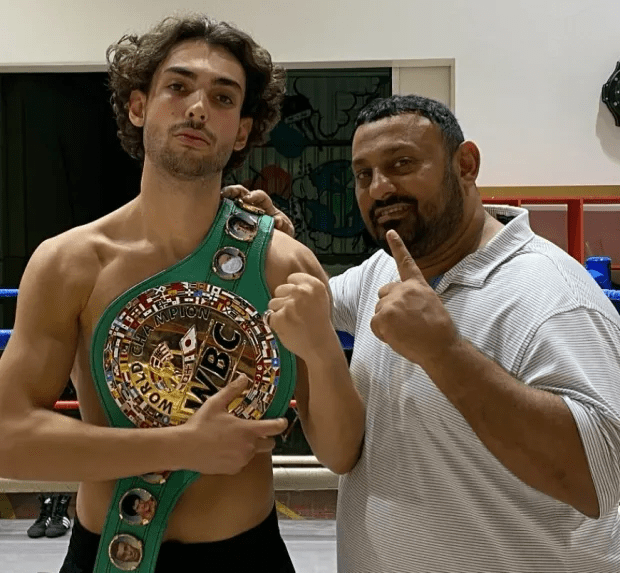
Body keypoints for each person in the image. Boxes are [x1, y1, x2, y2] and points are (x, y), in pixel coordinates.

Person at [0, 14, 364, 573]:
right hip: (105, 552)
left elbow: (340, 454)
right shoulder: (70, 263)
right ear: (139, 105)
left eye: (223, 97)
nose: (197, 107)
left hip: (245, 556)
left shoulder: (283, 264)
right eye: (178, 86)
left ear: (241, 130)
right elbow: (8, 435)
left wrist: (320, 347)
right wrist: (180, 447)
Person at [225, 94, 620, 572]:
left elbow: (601, 479)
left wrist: (444, 351)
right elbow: (315, 301)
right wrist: (278, 245)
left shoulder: (549, 293)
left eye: (402, 163)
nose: (380, 188)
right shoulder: (385, 269)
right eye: (364, 174)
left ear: (465, 164)